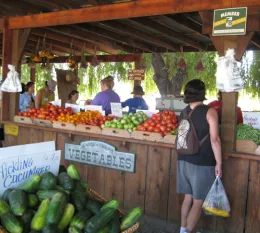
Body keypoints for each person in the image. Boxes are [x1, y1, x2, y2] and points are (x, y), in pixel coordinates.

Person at [177, 79, 222, 233]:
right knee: (198, 202)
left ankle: (182, 229)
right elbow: (215, 139)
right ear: (202, 92)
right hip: (202, 162)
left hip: (183, 160)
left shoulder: (183, 112)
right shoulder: (210, 111)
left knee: (187, 198)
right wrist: (219, 163)